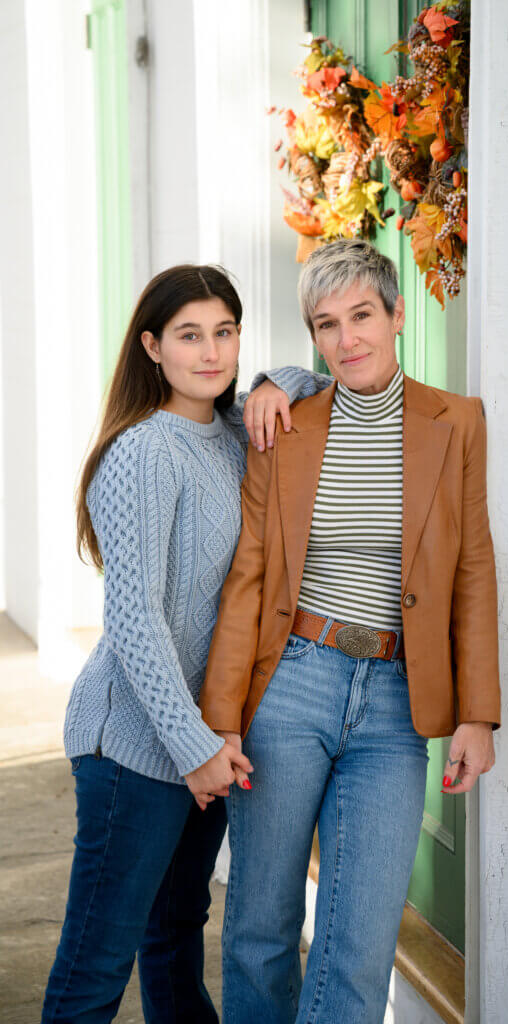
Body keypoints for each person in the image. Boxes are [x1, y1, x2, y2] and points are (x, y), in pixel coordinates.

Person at [199, 238, 501, 1024]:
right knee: (261, 926)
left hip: (397, 707)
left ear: (397, 316)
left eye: (362, 315)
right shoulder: (286, 426)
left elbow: (472, 571)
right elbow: (248, 580)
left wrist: (477, 713)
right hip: (290, 685)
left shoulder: (455, 422)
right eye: (326, 324)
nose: (347, 339)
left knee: (359, 943)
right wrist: (217, 723)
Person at [41, 264, 329, 1024]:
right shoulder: (144, 451)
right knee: (96, 962)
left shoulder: (237, 431)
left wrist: (270, 381)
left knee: (172, 936)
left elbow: (308, 377)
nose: (210, 352)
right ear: (151, 347)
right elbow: (134, 619)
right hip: (134, 743)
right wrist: (193, 747)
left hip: (205, 735)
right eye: (188, 336)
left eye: (225, 333)